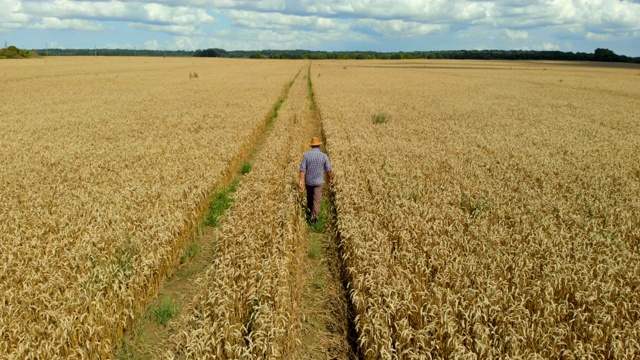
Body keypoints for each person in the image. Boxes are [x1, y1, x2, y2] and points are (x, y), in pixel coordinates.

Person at [298, 136, 333, 224]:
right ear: (319, 146)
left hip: (308, 181)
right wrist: (330, 179)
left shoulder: (306, 155)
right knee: (317, 200)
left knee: (309, 198)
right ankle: (314, 219)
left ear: (311, 146)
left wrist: (300, 181)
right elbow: (328, 170)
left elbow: (302, 170)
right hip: (319, 182)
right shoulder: (324, 156)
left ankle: (310, 214)